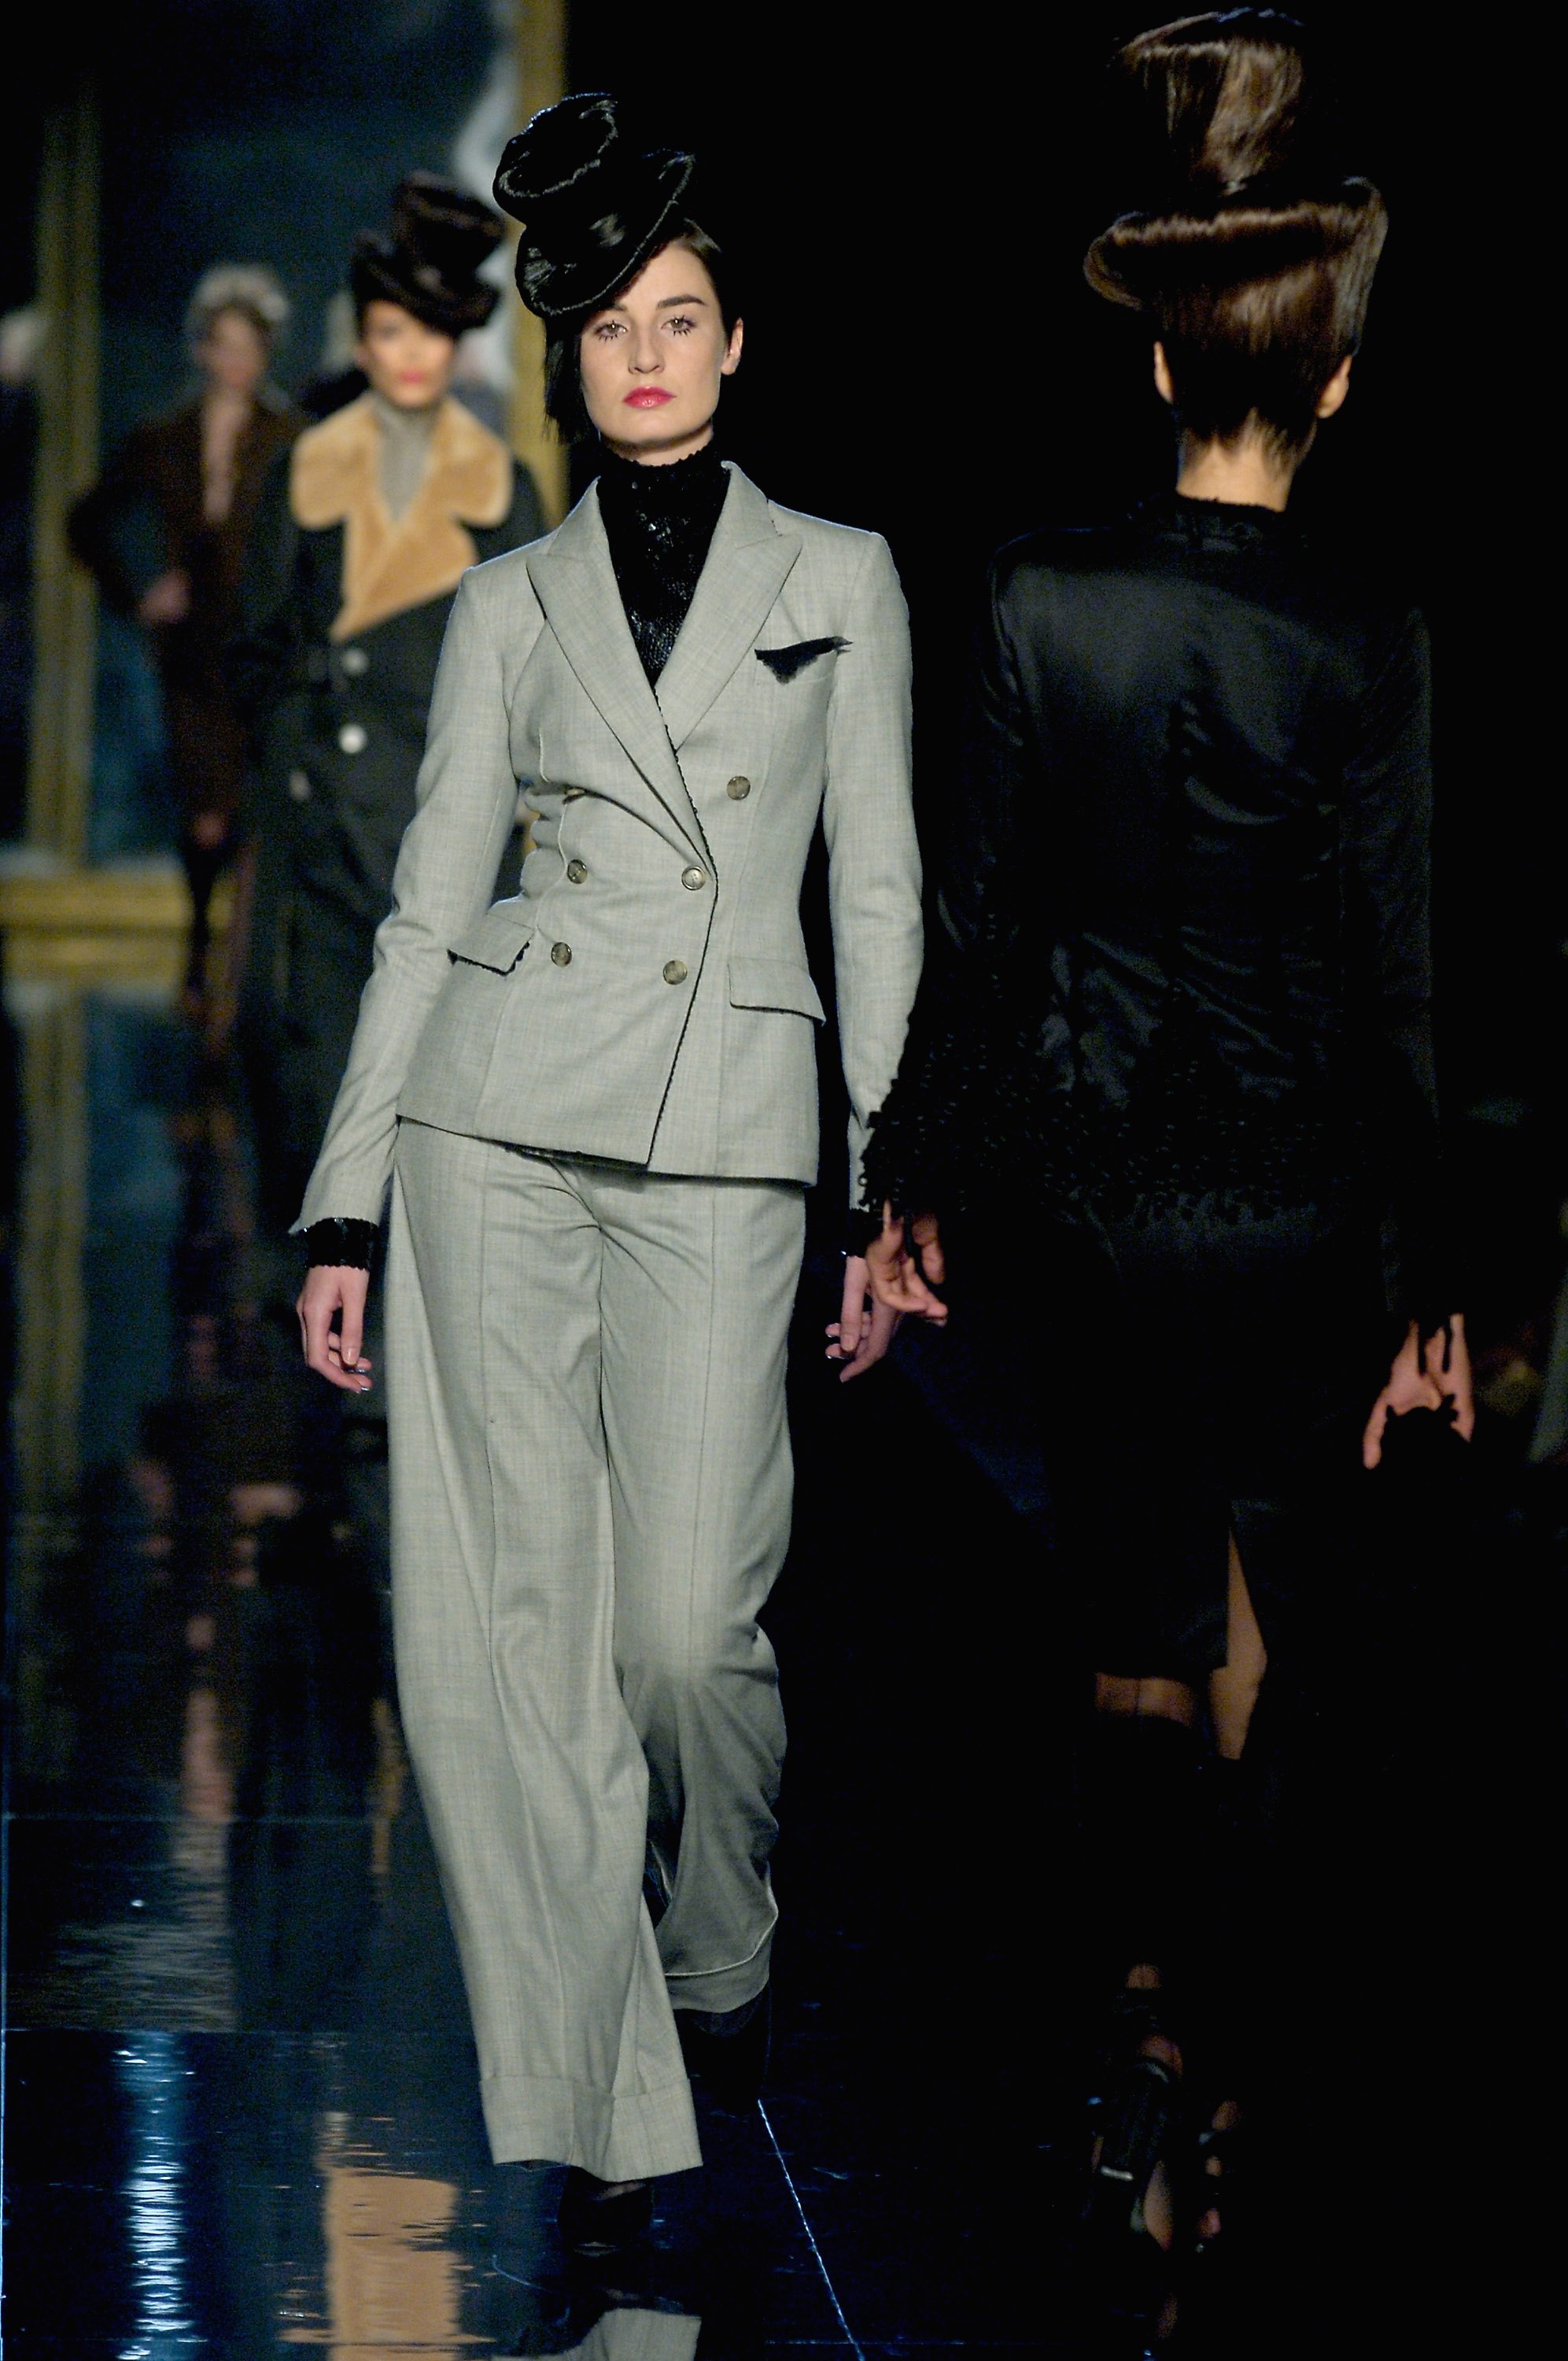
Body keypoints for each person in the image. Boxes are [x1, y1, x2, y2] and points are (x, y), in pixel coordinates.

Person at [859, 11, 1472, 2337]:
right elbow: (1397, 981)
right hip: (1297, 1199)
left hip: (1091, 1190)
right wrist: (1431, 1283)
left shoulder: (1032, 595)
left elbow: (977, 925)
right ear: (1331, 383)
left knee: (1131, 1624)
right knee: (1249, 1634)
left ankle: (1135, 2016)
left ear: (1153, 366)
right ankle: (1206, 2052)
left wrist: (910, 1177)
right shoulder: (1366, 629)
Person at [293, 94, 921, 2251]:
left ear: (736, 344)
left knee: (677, 1636)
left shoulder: (842, 578)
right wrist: (351, 1196)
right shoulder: (507, 606)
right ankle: (591, 2089)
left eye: (682, 321)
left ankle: (719, 1933)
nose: (646, 357)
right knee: (523, 1641)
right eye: (612, 328)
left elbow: (877, 900)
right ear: (569, 357)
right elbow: (424, 909)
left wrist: (873, 1183)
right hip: (495, 1125)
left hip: (728, 1143)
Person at [231, 176, 543, 1240]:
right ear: (361, 341)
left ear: (458, 343)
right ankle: (327, 1278)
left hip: (450, 821)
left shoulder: (500, 488)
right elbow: (256, 644)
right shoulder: (305, 473)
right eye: (389, 331)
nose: (411, 355)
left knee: (442, 1080)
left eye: (432, 333)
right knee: (323, 1063)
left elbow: (536, 668)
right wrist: (297, 753)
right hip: (326, 825)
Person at [70, 266, 303, 1009]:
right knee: (205, 817)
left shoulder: (291, 437)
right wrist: (140, 593)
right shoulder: (165, 437)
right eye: (224, 345)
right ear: (202, 350)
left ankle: (242, 964)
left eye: (249, 346)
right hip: (193, 655)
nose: (237, 361)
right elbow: (86, 520)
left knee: (255, 810)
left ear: (265, 352)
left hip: (266, 648)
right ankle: (203, 953)